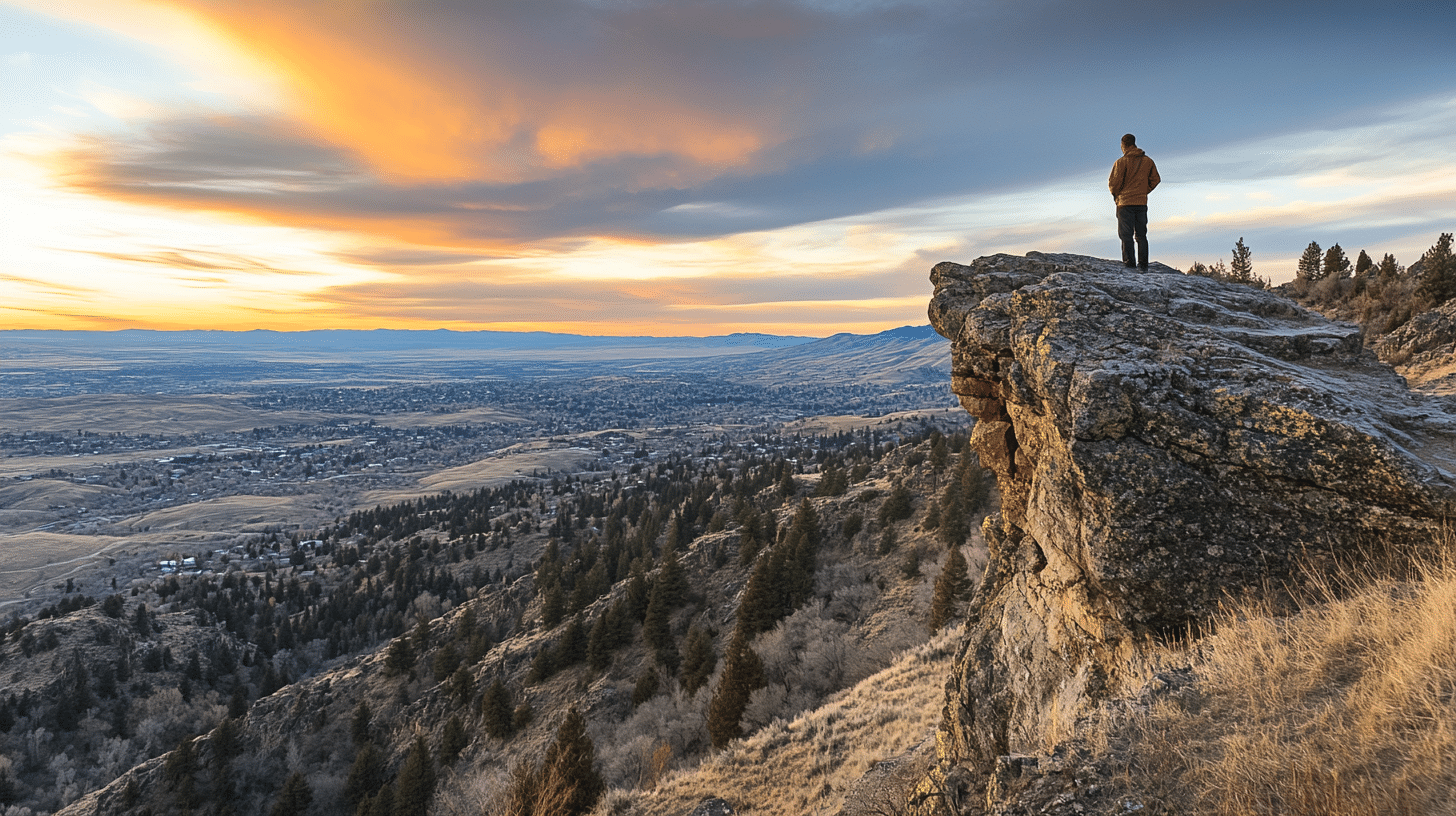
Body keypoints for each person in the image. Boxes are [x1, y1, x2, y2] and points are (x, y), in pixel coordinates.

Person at [1108, 133, 1160, 271]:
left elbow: (1114, 184)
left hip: (1124, 203)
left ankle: (1129, 264)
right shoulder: (1148, 161)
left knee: (1126, 235)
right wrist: (1144, 191)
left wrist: (1117, 195)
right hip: (1141, 203)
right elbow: (1156, 179)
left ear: (1123, 145)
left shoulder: (1120, 162)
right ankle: (1143, 265)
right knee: (1141, 235)